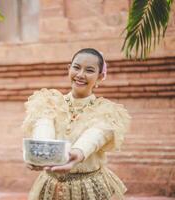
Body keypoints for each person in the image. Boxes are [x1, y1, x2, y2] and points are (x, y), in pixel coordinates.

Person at [21, 48, 131, 200]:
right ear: (69, 69)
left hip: (88, 187)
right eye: (76, 67)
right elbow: (43, 126)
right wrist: (40, 153)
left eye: (89, 70)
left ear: (100, 77)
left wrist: (77, 154)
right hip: (51, 187)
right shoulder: (49, 102)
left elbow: (95, 136)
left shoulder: (107, 111)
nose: (80, 75)